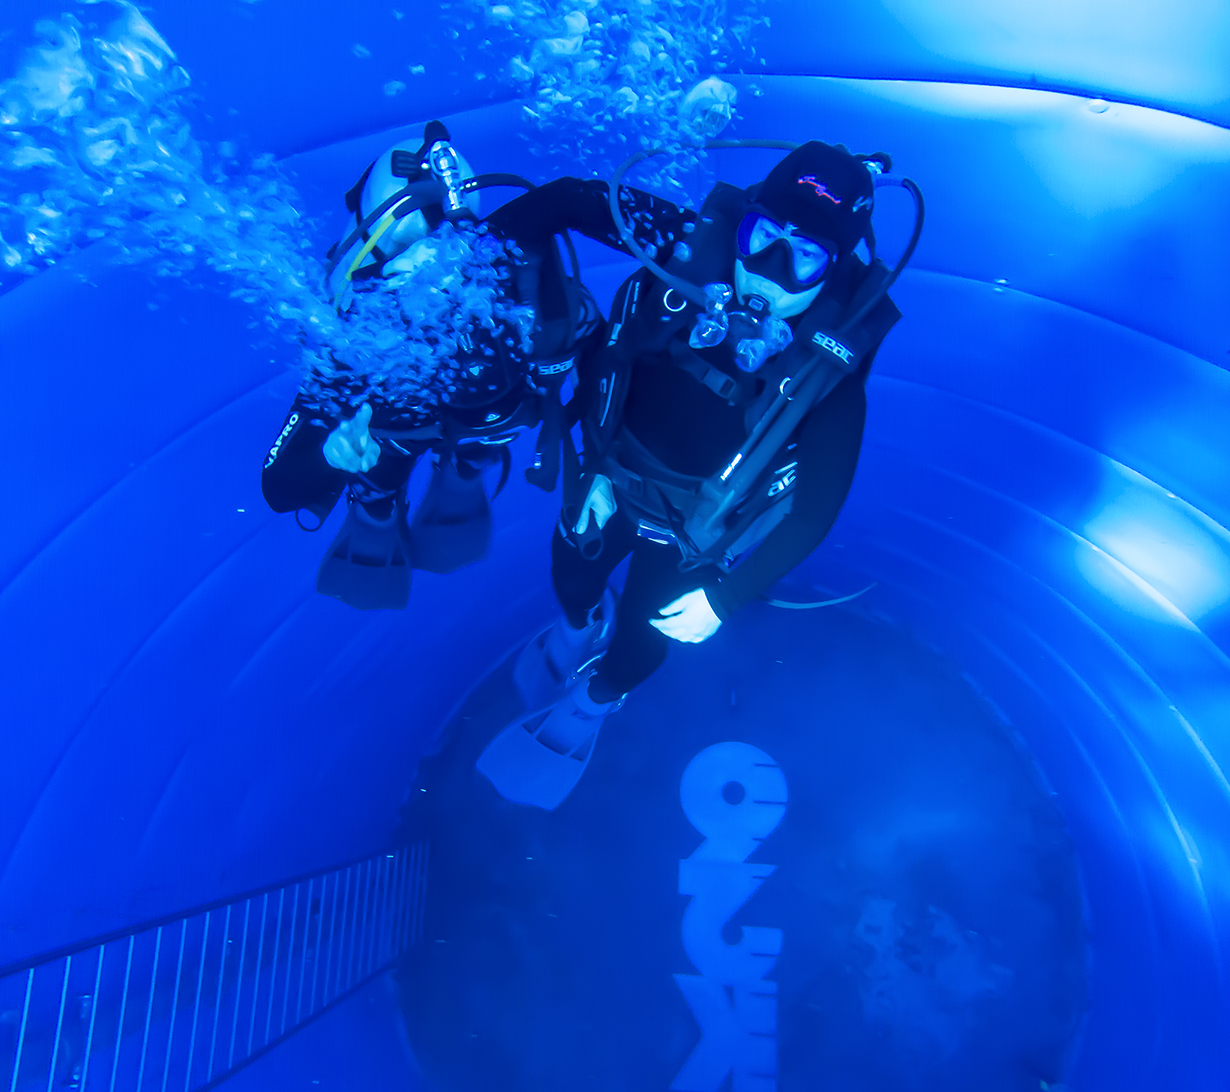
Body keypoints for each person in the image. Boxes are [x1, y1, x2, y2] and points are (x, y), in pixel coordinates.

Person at [478, 141, 914, 809]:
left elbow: (816, 509)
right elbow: (564, 200)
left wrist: (724, 599)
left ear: (833, 271)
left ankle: (594, 699)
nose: (768, 272)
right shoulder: (686, 250)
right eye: (763, 237)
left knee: (644, 639)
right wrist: (472, 265)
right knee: (570, 574)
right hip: (612, 477)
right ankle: (576, 628)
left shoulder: (830, 378)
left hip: (695, 532)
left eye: (804, 257)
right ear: (743, 223)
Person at [259, 121, 687, 610]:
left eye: (441, 261)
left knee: (479, 438)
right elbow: (279, 486)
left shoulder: (514, 278)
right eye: (398, 265)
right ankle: (382, 501)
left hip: (492, 422)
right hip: (398, 436)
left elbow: (571, 201)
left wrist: (712, 246)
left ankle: (459, 472)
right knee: (380, 463)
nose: (423, 286)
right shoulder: (349, 343)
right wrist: (330, 457)